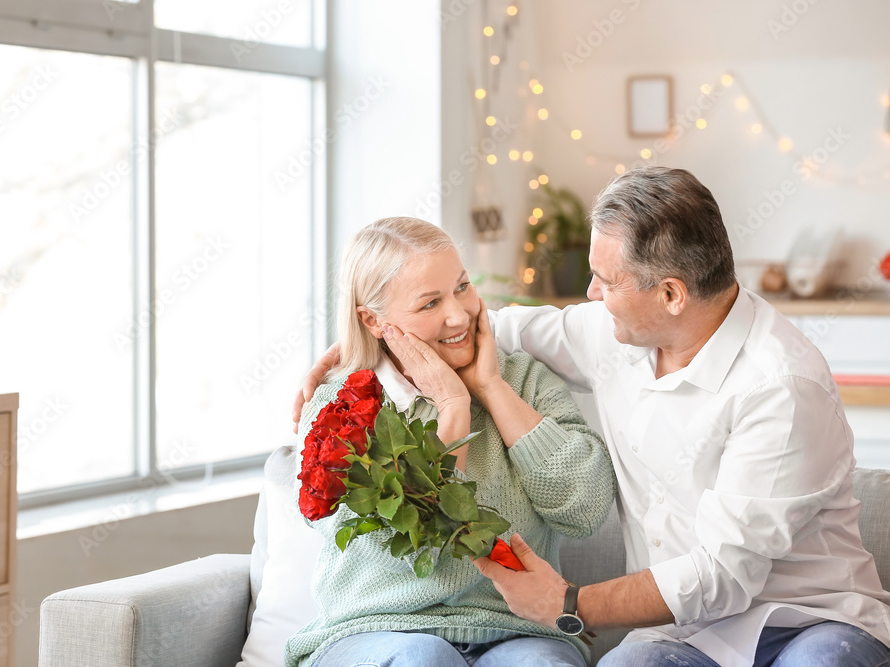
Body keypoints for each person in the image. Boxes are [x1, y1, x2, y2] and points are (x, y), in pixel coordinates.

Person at [294, 168, 890, 667]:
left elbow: (722, 574)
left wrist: (569, 600)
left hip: (803, 619)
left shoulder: (781, 386)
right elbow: (485, 324)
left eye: (605, 280)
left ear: (672, 295)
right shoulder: (619, 328)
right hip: (684, 633)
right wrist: (355, 351)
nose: (589, 293)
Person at [287, 217, 616, 667]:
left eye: (462, 286)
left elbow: (585, 510)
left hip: (517, 627)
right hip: (378, 628)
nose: (459, 314)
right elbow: (407, 550)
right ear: (373, 320)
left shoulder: (526, 380)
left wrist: (493, 389)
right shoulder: (339, 409)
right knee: (421, 659)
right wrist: (452, 407)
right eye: (429, 303)